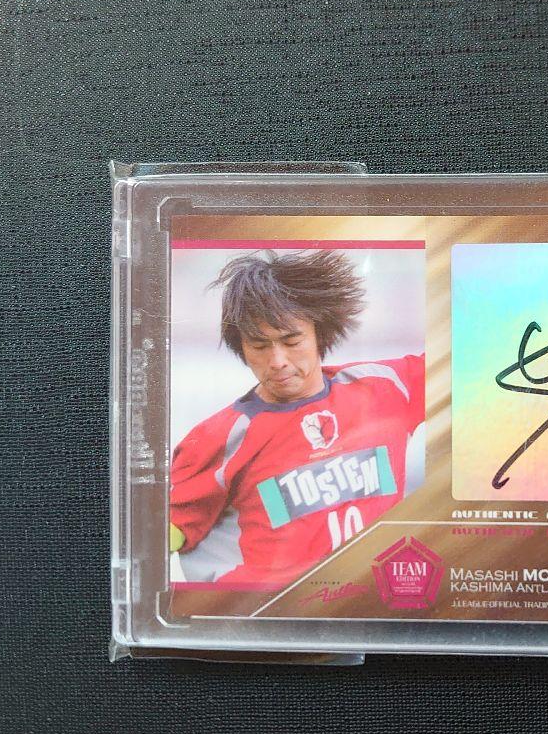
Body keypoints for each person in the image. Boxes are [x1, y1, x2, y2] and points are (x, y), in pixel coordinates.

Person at [169, 250, 424, 588]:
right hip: (268, 612)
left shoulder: (387, 386)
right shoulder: (220, 438)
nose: (277, 360)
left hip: (374, 602)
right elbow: (155, 536)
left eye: (292, 341)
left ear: (320, 333)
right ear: (241, 347)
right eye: (259, 346)